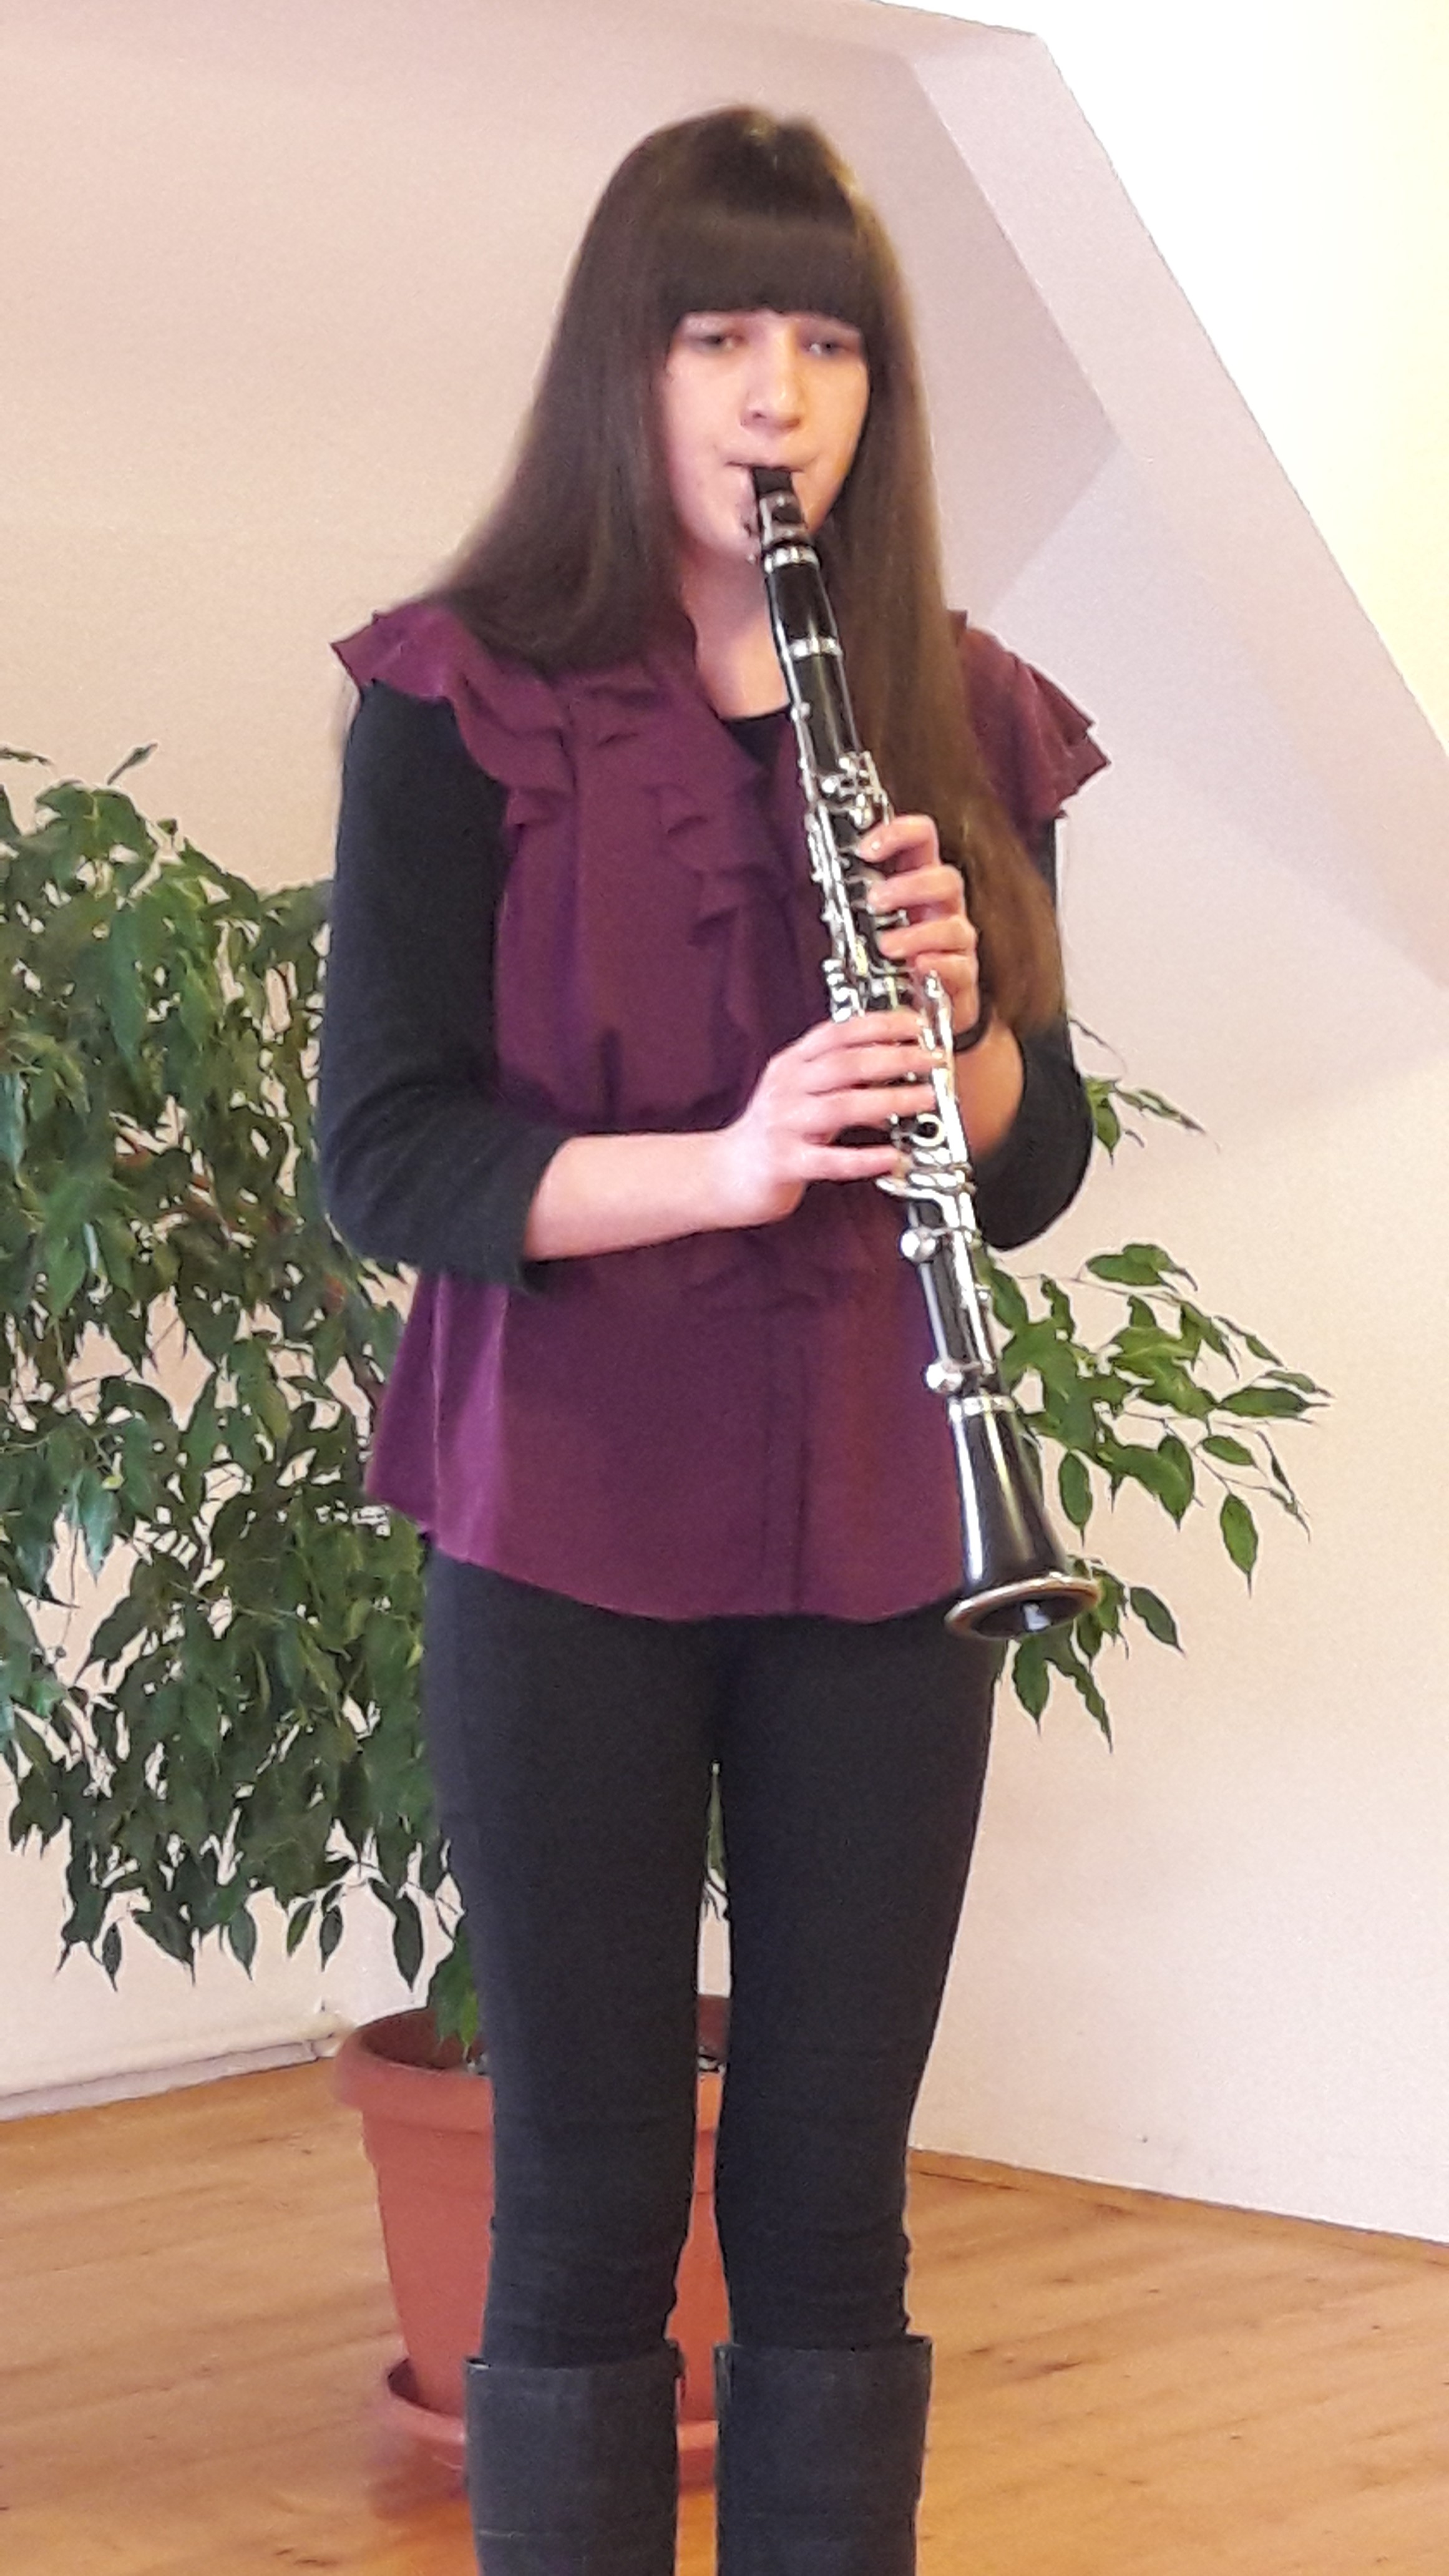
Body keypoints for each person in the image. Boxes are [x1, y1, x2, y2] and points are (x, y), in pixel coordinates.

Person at [320, 105, 1104, 2576]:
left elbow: (1030, 1167)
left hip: (883, 1523)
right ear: (625, 366)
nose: (778, 392)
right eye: (718, 334)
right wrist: (729, 1162)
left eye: (828, 343)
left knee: (828, 2200)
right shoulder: (458, 701)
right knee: (578, 2193)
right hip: (564, 1518)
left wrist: (968, 1024)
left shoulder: (960, 713)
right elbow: (387, 1156)